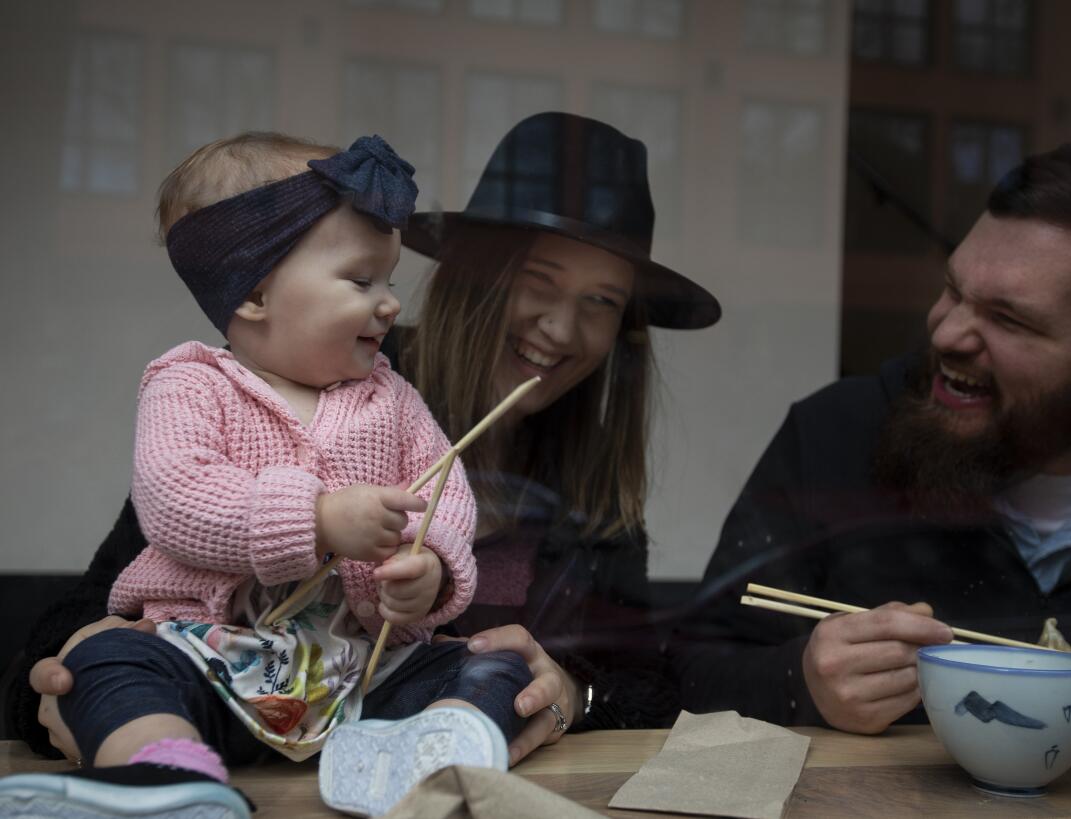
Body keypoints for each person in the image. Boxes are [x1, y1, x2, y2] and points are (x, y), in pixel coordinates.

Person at [9, 113, 721, 773]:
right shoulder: (288, 380)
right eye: (538, 281)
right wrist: (67, 685)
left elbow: (651, 685)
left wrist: (572, 693)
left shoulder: (585, 473)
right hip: (230, 736)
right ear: (475, 275)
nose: (562, 330)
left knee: (485, 675)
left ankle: (428, 755)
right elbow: (80, 623)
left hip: (408, 766)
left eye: (602, 302)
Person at [1, 132, 546, 818]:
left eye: (390, 280)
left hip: (362, 678)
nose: (389, 304)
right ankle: (167, 772)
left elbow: (445, 493)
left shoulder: (393, 396)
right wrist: (317, 517)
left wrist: (428, 564)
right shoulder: (189, 384)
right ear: (256, 292)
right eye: (360, 280)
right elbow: (175, 499)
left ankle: (421, 755)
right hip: (213, 660)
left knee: (499, 665)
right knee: (106, 660)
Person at [671, 141, 1071, 735]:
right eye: (952, 289)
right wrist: (800, 683)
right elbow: (687, 671)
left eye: (1008, 319)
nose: (947, 334)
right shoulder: (837, 434)